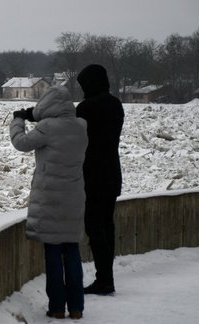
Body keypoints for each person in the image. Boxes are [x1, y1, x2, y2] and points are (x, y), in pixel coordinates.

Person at [10, 85, 88, 320]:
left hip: (50, 199)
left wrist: (18, 120)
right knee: (72, 253)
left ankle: (57, 307)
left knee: (53, 254)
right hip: (74, 198)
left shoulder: (47, 128)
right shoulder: (81, 126)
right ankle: (76, 308)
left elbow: (21, 143)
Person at [76, 64, 124, 295]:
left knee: (94, 228)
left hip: (92, 175)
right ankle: (107, 278)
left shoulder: (86, 108)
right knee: (107, 225)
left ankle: (103, 280)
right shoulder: (116, 105)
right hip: (112, 173)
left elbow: (74, 136)